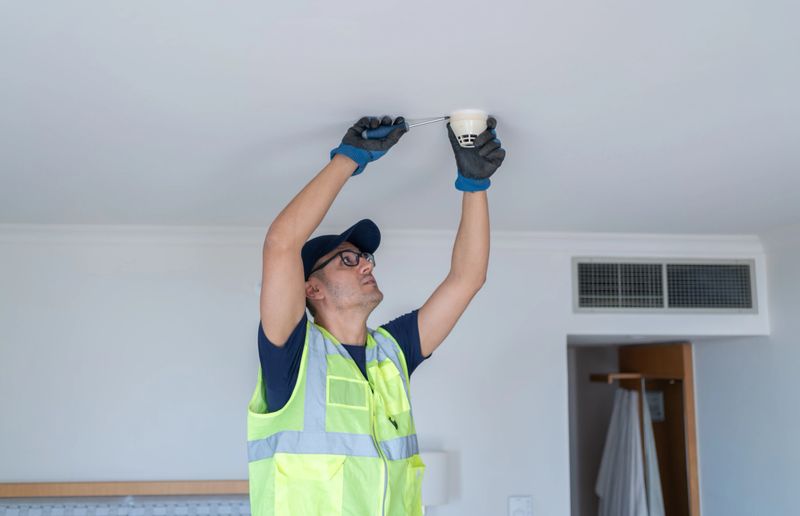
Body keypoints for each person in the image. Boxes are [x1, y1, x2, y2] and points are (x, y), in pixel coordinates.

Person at [247, 114, 505, 516]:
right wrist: (348, 159)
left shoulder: (392, 352)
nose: (367, 265)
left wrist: (474, 185)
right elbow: (281, 243)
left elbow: (467, 279)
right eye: (349, 259)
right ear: (310, 288)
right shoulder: (291, 357)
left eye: (365, 258)